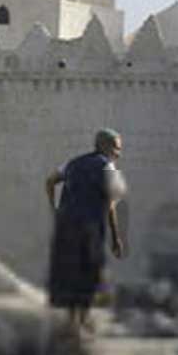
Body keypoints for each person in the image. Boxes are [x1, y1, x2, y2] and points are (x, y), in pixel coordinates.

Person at [45, 128, 127, 336]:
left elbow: (50, 181)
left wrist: (55, 209)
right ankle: (80, 325)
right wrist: (116, 238)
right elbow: (111, 204)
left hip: (65, 228)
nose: (119, 154)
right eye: (117, 148)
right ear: (105, 147)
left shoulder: (73, 163)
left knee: (66, 274)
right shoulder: (107, 166)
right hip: (88, 229)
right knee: (89, 275)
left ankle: (68, 324)